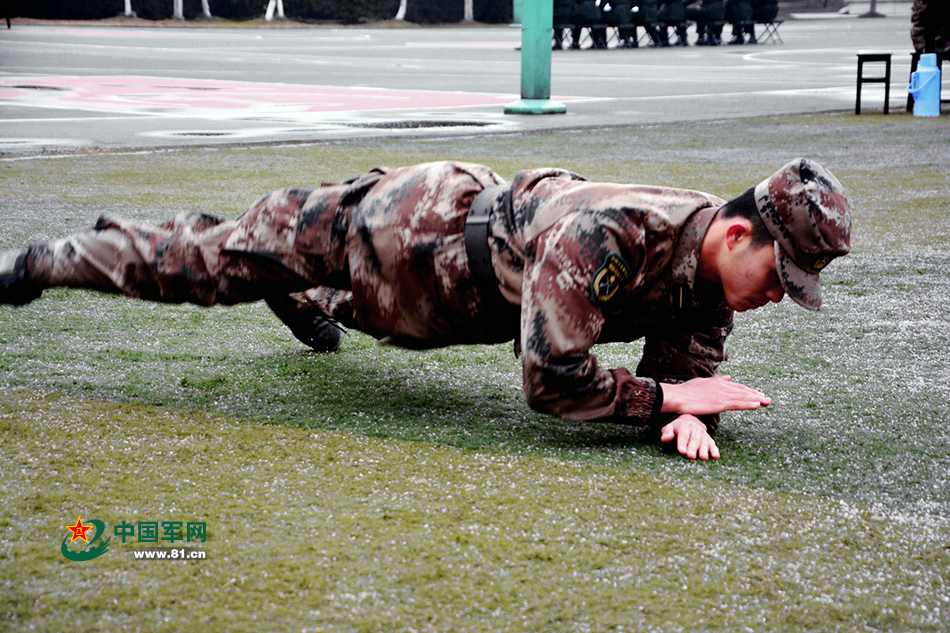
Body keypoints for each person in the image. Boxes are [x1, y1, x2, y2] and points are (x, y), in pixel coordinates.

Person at [0, 158, 852, 461]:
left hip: (439, 305)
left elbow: (687, 367)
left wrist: (682, 407)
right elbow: (551, 381)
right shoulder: (616, 233)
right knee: (209, 271)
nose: (779, 295)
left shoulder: (710, 275)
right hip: (414, 226)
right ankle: (41, 261)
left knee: (305, 290)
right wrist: (665, 400)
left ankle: (276, 282)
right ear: (738, 230)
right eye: (780, 275)